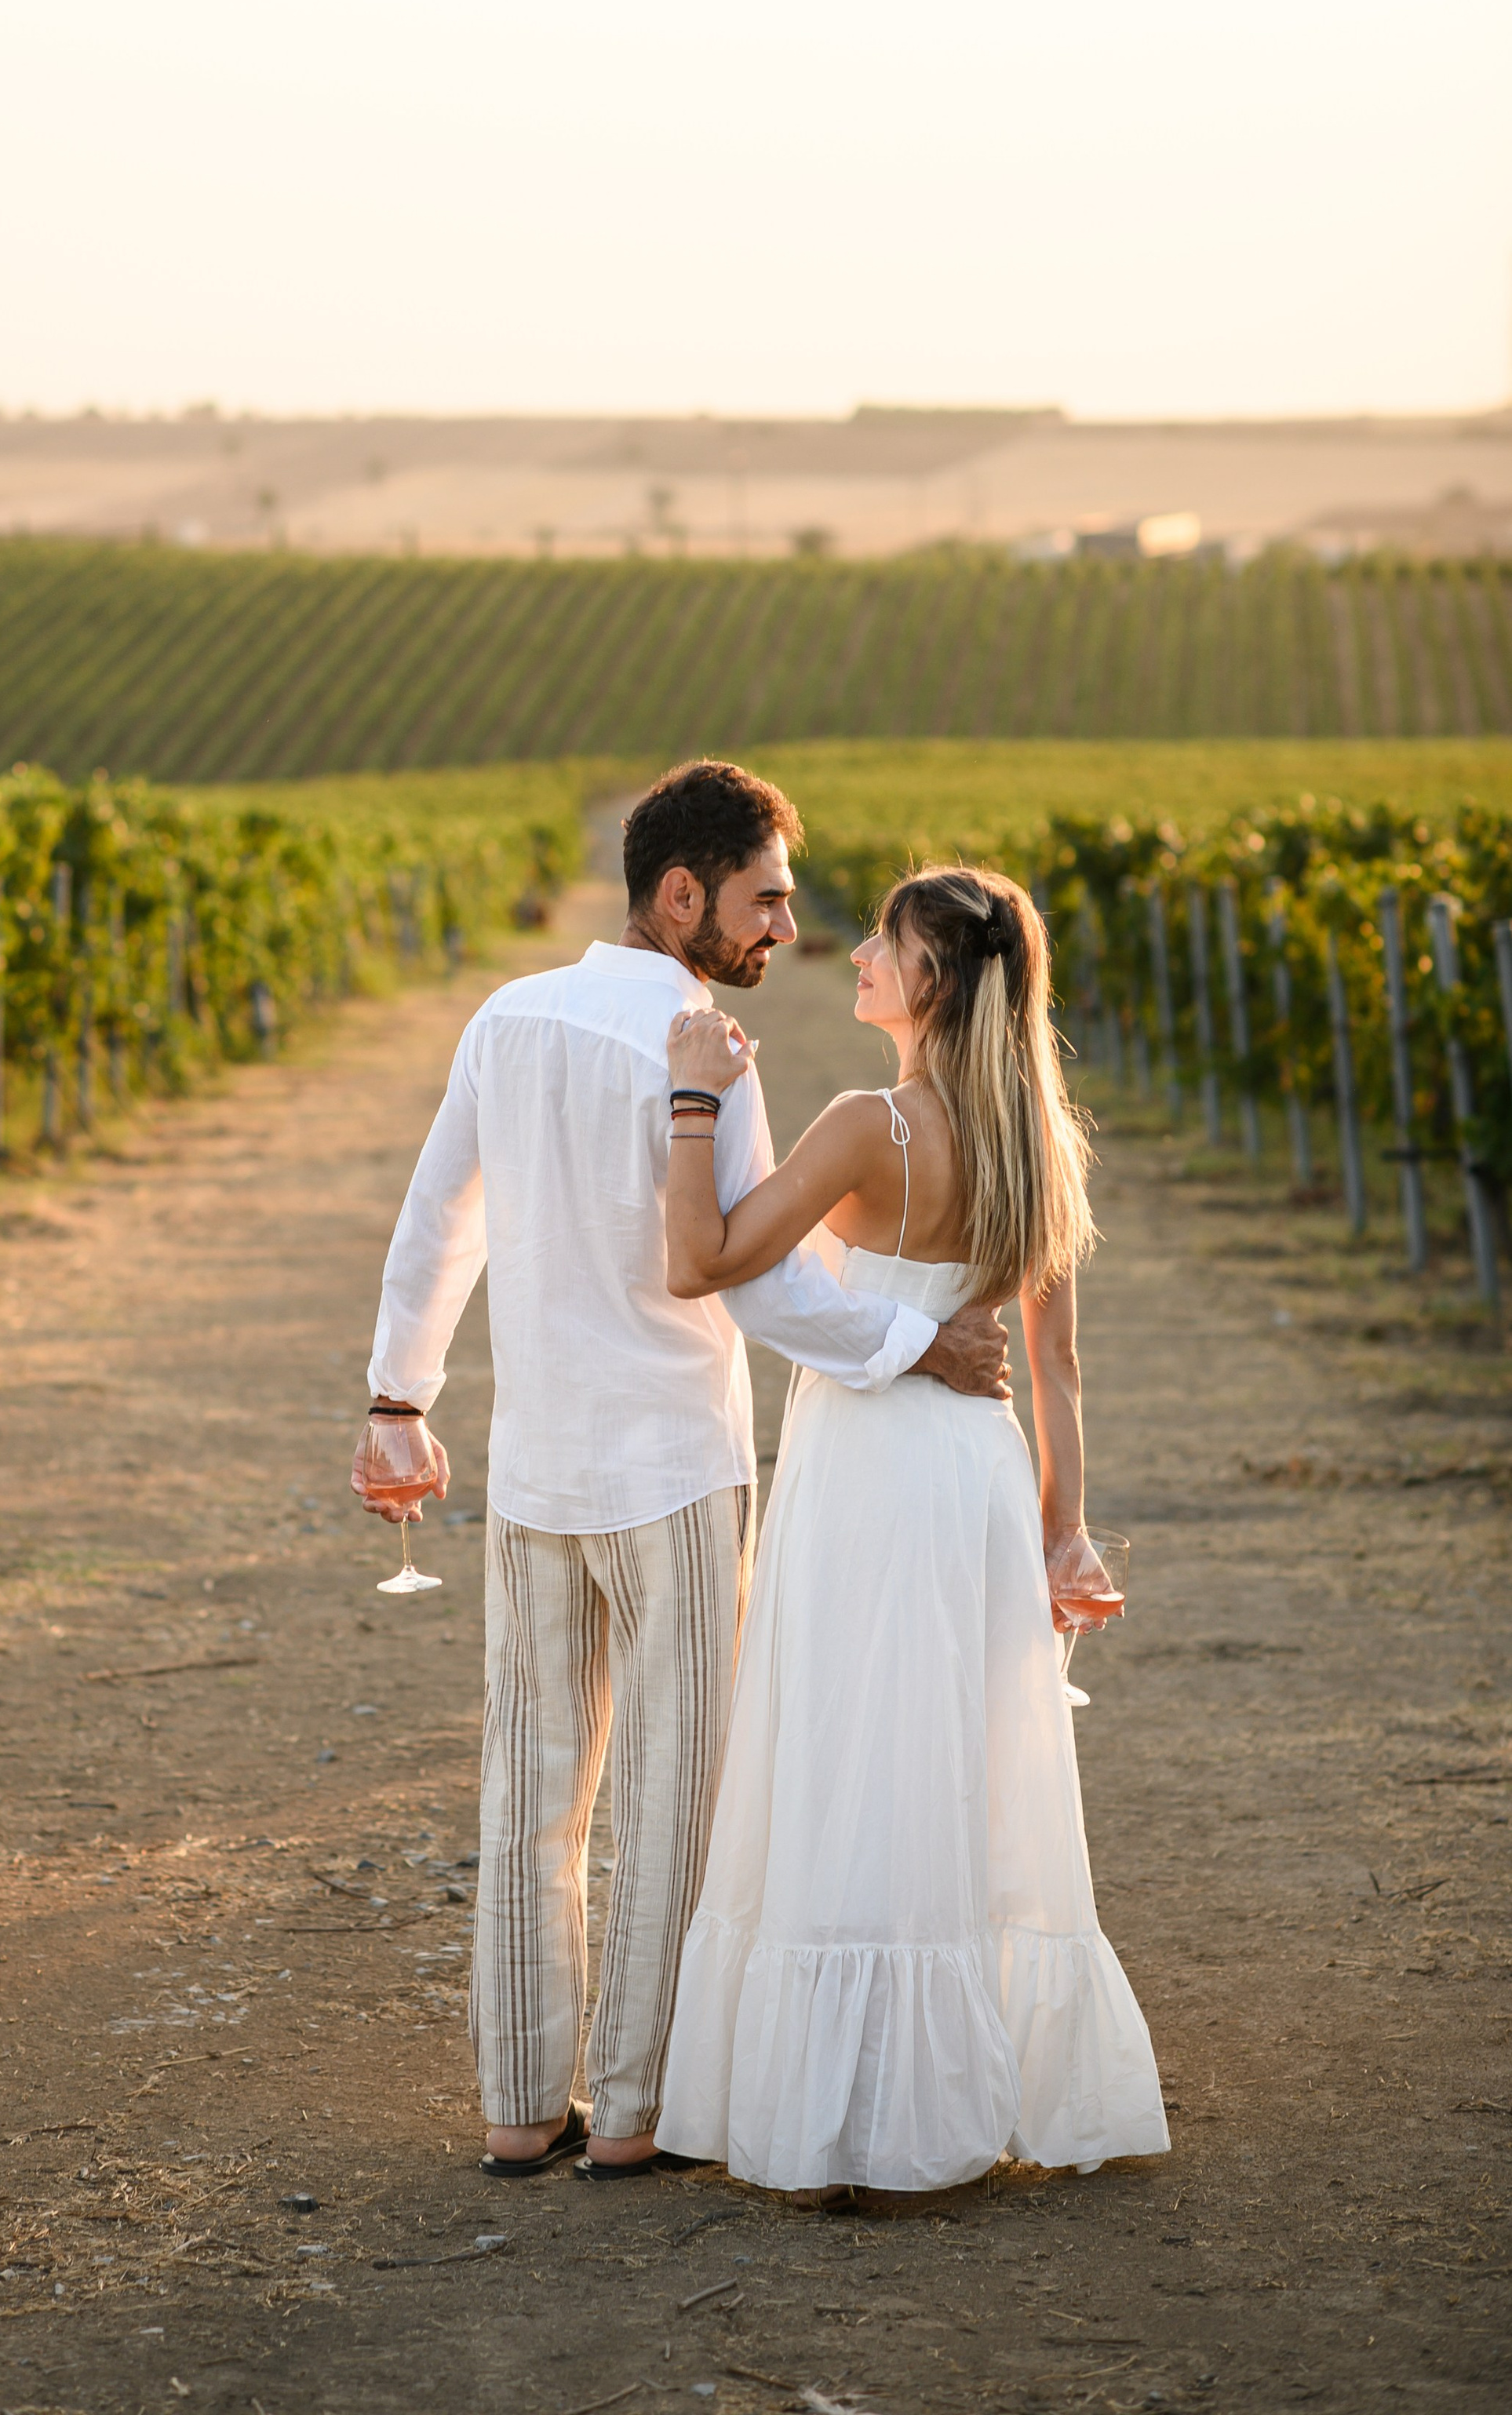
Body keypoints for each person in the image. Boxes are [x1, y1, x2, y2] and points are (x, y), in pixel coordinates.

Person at [352, 763, 1012, 2181]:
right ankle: (637, 2117)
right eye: (767, 897)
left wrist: (397, 1399)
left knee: (527, 1790)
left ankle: (520, 2111)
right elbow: (753, 1290)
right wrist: (919, 1343)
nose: (786, 927)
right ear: (682, 895)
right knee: (671, 1795)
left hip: (535, 1472)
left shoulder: (506, 1015)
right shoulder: (705, 1046)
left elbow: (436, 1220)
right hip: (674, 1475)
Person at [653, 863, 1169, 2198]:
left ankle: (850, 2121)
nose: (861, 957)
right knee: (950, 1759)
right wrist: (1064, 1535)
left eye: (883, 943)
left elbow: (702, 1259)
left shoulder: (868, 1127)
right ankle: (947, 2099)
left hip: (867, 1462)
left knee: (850, 1752)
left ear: (929, 977)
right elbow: (1052, 1371)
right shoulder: (1040, 1139)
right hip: (979, 1480)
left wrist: (695, 1099)